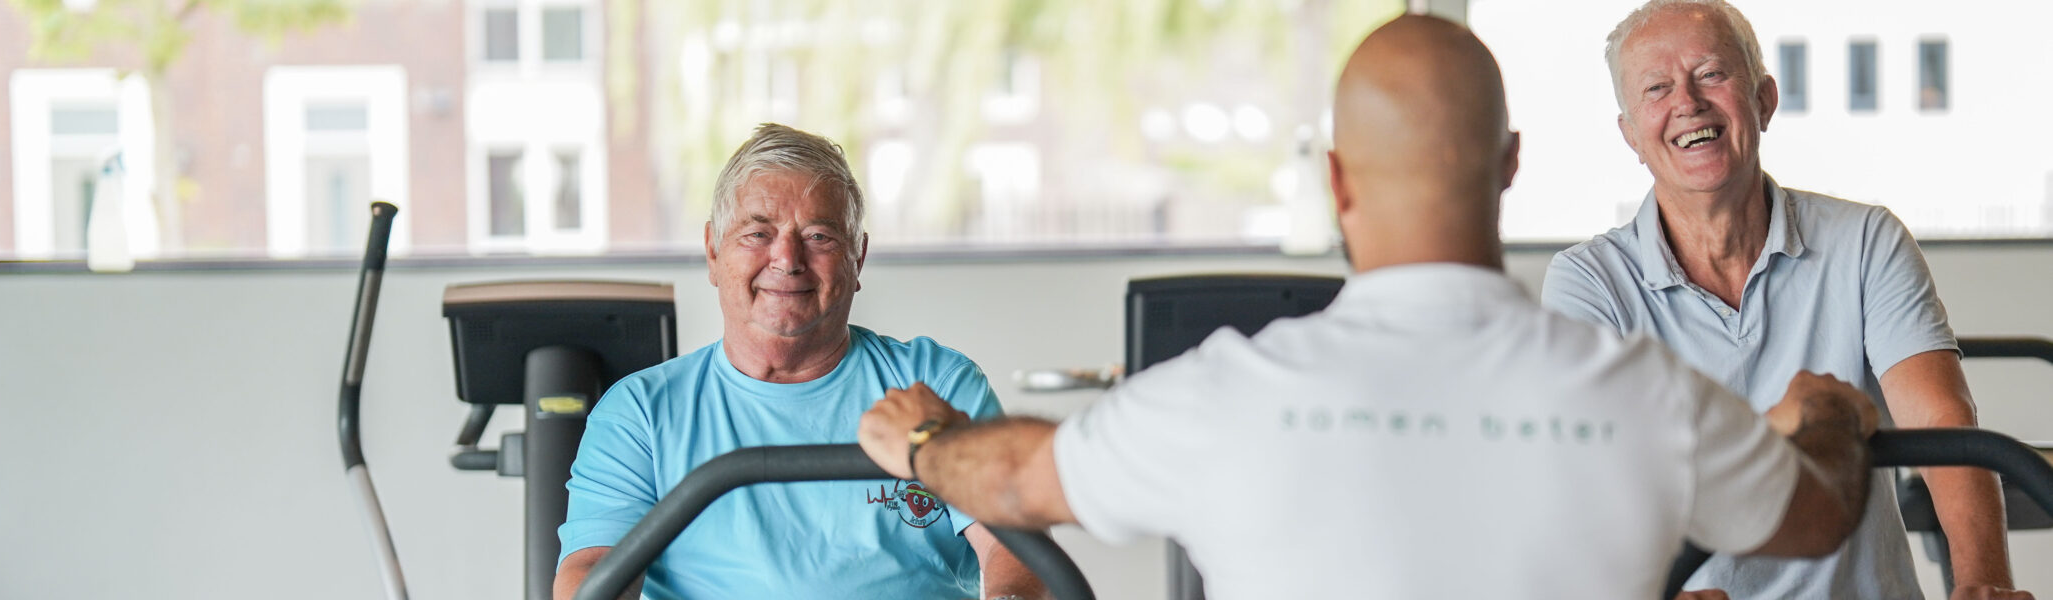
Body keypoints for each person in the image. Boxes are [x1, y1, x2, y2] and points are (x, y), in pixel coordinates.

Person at [857, 15, 1878, 599]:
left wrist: (921, 441)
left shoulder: (1224, 395)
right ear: (1510, 167)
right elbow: (1821, 507)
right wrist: (1823, 414)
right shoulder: (1650, 398)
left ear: (1338, 181)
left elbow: (1022, 480)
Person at [1540, 1, 2030, 598]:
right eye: (1657, 88)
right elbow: (1594, 480)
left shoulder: (1864, 240)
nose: (1688, 102)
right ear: (1631, 135)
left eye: (1712, 74)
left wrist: (1984, 583)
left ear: (1765, 100)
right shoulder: (1588, 283)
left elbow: (1940, 421)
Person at [552, 123, 1045, 599]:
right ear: (712, 252)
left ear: (858, 259)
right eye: (758, 234)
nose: (787, 259)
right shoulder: (640, 412)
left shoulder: (936, 385)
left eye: (818, 237)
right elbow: (592, 568)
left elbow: (1016, 546)